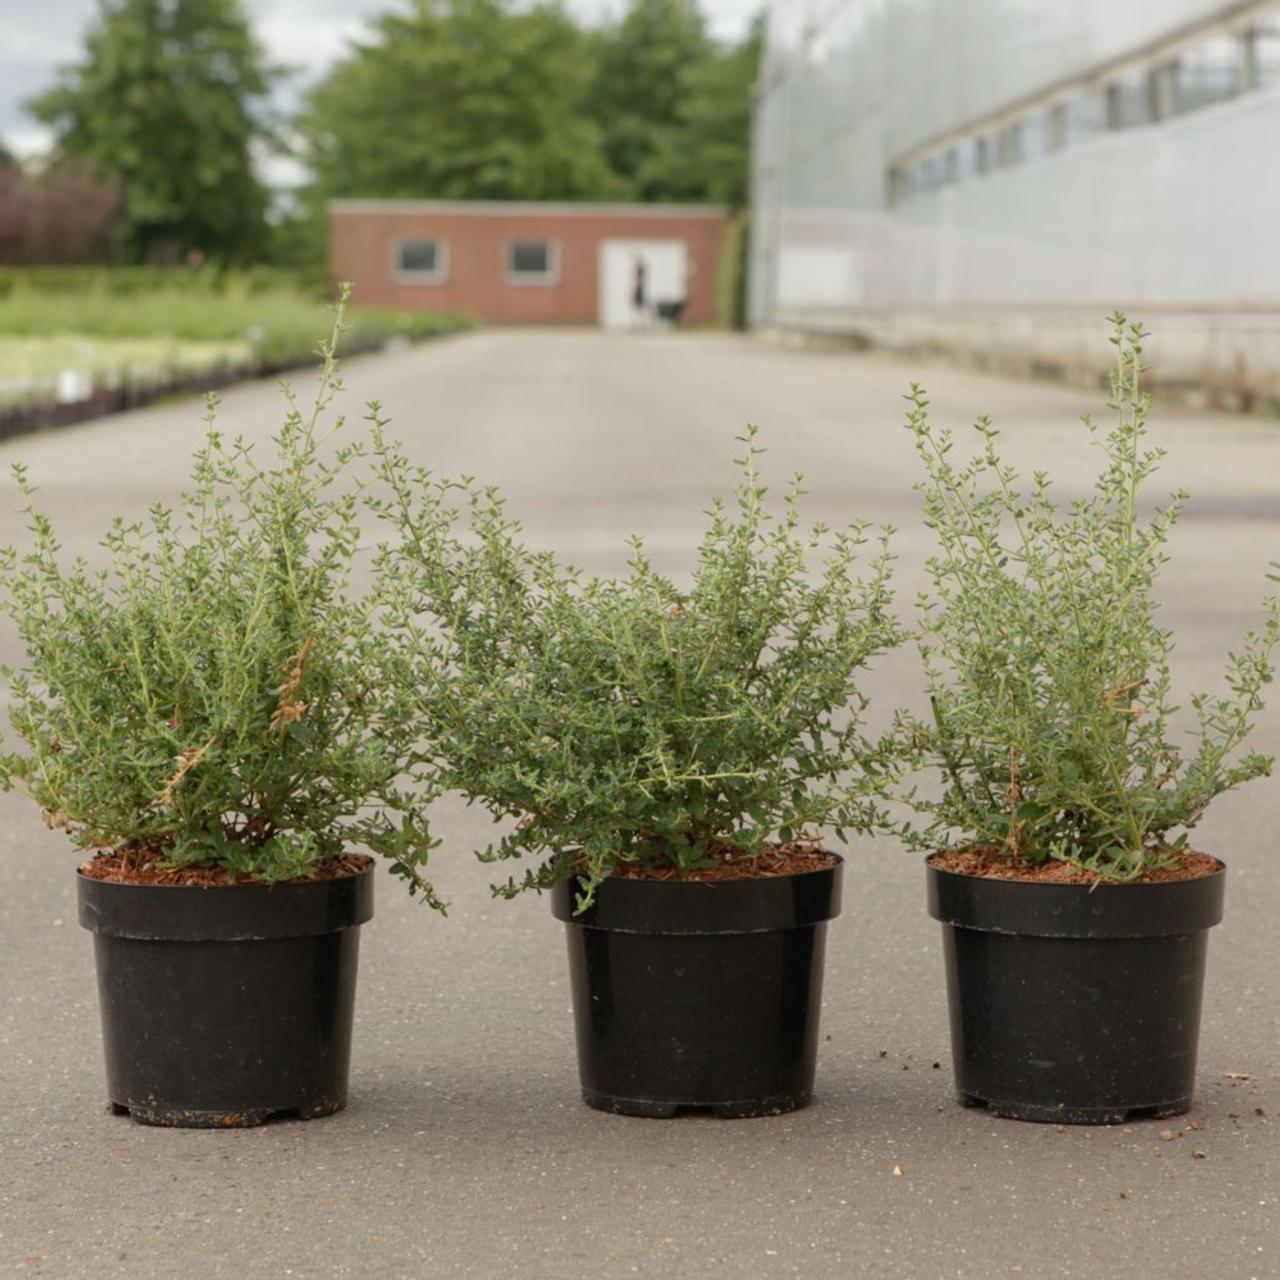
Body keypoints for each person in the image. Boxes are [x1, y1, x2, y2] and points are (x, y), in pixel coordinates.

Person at [631, 257, 649, 328]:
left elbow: (638, 280)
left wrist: (635, 289)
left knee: (639, 307)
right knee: (639, 307)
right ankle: (641, 323)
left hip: (639, 290)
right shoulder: (641, 268)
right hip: (640, 289)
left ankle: (641, 324)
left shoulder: (640, 269)